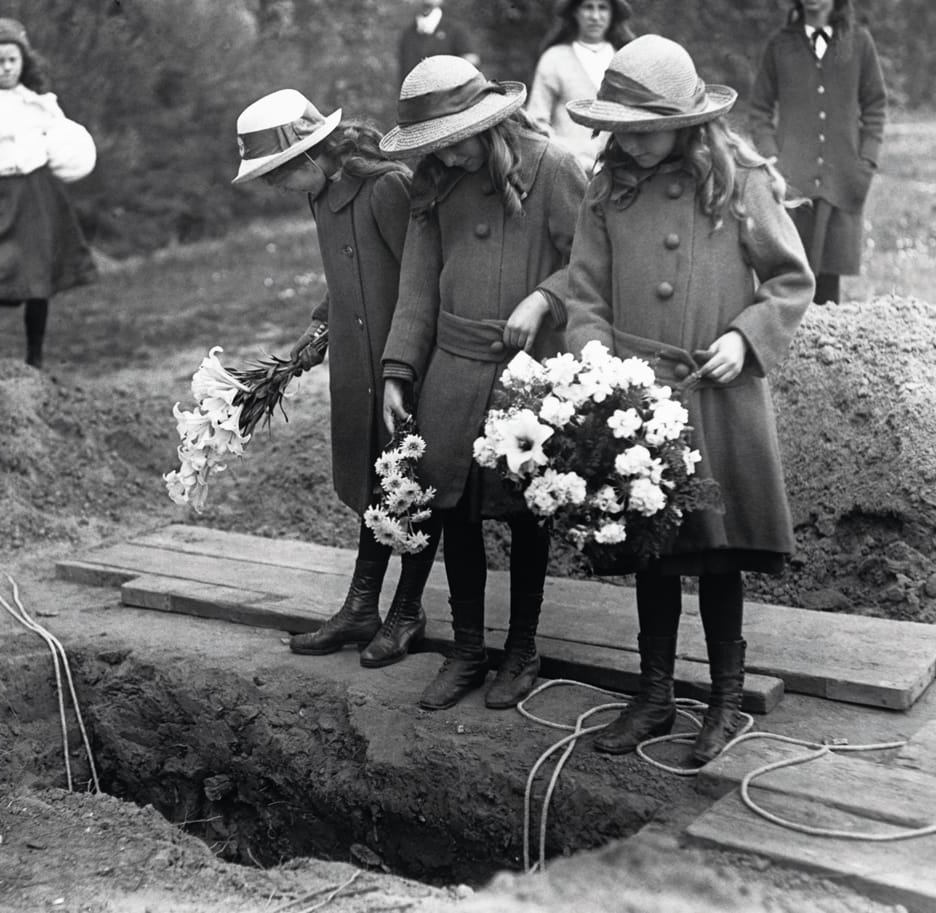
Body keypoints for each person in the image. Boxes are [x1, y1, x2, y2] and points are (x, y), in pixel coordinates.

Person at [563, 35, 814, 764]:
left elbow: (790, 280)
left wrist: (746, 336)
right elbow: (584, 296)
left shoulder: (739, 180)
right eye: (622, 132)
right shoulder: (607, 191)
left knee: (716, 552)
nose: (632, 145)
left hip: (718, 398)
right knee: (653, 550)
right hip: (638, 404)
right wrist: (595, 360)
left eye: (646, 132)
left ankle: (727, 700)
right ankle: (654, 695)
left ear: (687, 120)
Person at [379, 56, 587, 710]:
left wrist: (545, 299)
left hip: (526, 376)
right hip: (452, 366)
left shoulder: (552, 168)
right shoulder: (434, 180)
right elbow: (417, 282)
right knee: (453, 510)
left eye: (452, 140)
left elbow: (593, 267)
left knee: (528, 511)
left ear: (487, 120)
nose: (444, 155)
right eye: (431, 146)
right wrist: (398, 370)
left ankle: (521, 650)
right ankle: (468, 648)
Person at [231, 89, 441, 669]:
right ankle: (361, 606)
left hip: (403, 365)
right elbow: (345, 274)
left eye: (276, 174)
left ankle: (407, 611)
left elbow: (423, 278)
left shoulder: (385, 187)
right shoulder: (322, 196)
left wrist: (407, 361)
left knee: (413, 486)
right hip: (355, 363)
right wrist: (320, 325)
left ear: (308, 157)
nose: (273, 187)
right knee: (374, 486)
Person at [0, 18, 97, 368]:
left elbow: (65, 144)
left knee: (36, 274)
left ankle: (35, 356)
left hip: (37, 196)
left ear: (24, 62)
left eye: (13, 59)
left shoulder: (39, 104)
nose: (7, 67)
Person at [747, 0, 887, 305]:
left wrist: (866, 161)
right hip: (793, 185)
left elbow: (875, 105)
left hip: (841, 181)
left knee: (828, 290)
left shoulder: (859, 42)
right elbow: (759, 110)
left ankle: (825, 348)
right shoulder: (780, 46)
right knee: (788, 276)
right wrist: (773, 161)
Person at [526, 0, 635, 173]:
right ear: (575, 12)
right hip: (565, 171)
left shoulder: (626, 59)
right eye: (588, 7)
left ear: (612, 14)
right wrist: (568, 157)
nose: (595, 16)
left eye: (603, 8)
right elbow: (536, 121)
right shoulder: (554, 58)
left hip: (618, 169)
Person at [397, 0, 480, 90]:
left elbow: (472, 60)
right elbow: (404, 70)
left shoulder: (455, 29)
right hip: (416, 97)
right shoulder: (408, 34)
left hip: (449, 96)